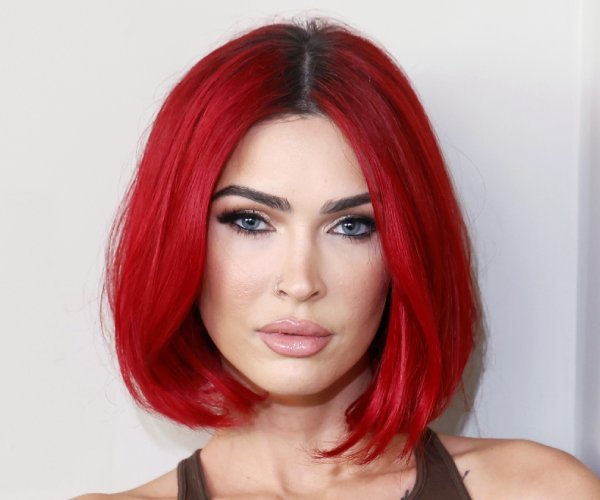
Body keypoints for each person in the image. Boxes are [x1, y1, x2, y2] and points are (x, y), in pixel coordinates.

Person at [76, 19, 600, 499]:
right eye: (251, 221)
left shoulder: (538, 491)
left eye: (352, 226)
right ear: (179, 237)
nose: (301, 281)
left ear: (406, 257)